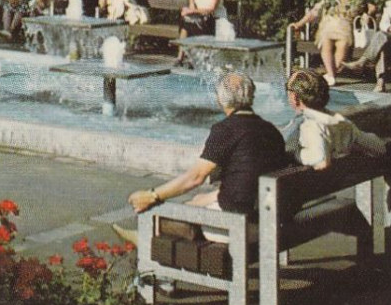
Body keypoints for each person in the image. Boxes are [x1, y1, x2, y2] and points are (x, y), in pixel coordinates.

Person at [122, 73, 290, 234]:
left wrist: (153, 195)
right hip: (268, 212)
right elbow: (248, 177)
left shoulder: (226, 129)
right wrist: (208, 198)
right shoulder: (270, 129)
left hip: (240, 219)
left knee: (155, 215)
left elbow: (196, 177)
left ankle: (144, 242)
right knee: (196, 201)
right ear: (251, 96)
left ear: (221, 100)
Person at [284, 69, 385, 169]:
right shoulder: (340, 122)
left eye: (287, 90)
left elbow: (320, 160)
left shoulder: (310, 125)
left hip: (311, 182)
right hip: (339, 179)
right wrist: (352, 145)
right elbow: (380, 148)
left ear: (294, 97)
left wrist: (295, 153)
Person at [291, 0, 358, 86]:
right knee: (330, 45)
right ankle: (331, 75)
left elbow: (313, 14)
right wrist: (299, 24)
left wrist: (299, 24)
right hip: (333, 28)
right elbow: (313, 13)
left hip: (339, 29)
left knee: (337, 46)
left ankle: (331, 75)